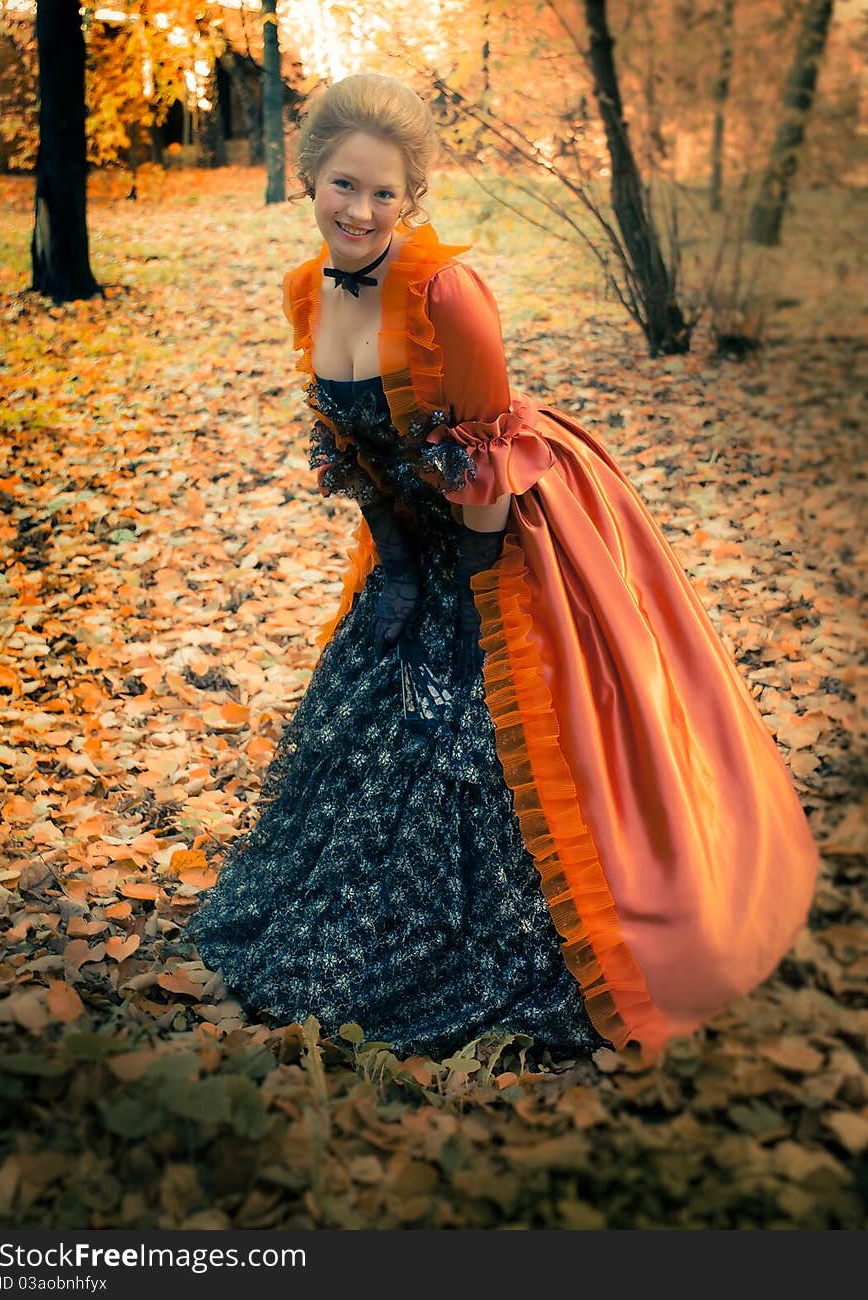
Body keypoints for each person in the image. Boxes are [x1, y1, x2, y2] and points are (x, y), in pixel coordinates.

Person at [187, 73, 818, 1067]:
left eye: (383, 194)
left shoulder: (445, 295)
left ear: (413, 200)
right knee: (371, 718)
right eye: (342, 185)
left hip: (504, 541)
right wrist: (394, 572)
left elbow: (486, 465)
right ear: (309, 177)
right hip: (411, 544)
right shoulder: (307, 292)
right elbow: (355, 448)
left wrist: (475, 604)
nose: (359, 210)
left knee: (479, 730)